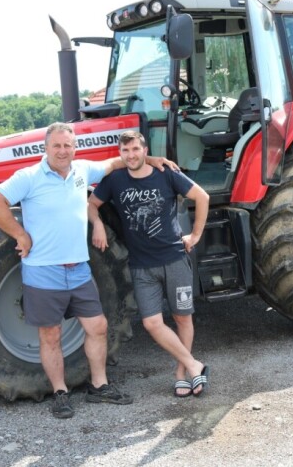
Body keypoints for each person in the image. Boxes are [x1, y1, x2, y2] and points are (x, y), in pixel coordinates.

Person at [0, 122, 175, 419]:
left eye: (68, 145)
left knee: (98, 327)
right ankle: (60, 392)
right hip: (43, 271)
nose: (62, 151)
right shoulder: (29, 177)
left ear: (75, 148)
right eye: (57, 145)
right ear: (45, 148)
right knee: (51, 335)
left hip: (79, 268)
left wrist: (151, 160)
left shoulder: (82, 170)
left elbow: (114, 163)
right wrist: (20, 235)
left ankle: (99, 386)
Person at [88, 130, 210, 399]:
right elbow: (92, 204)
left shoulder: (166, 174)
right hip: (142, 266)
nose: (131, 155)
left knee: (182, 317)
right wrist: (96, 222)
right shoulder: (115, 180)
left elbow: (202, 197)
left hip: (174, 259)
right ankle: (194, 364)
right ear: (120, 154)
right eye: (125, 151)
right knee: (152, 323)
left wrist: (196, 235)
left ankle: (181, 373)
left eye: (135, 149)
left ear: (145, 151)